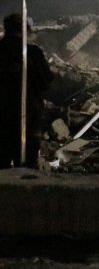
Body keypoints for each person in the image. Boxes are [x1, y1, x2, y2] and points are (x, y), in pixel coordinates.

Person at [0, 13, 54, 168]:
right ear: (26, 30)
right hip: (28, 114)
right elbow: (46, 82)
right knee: (27, 162)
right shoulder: (33, 52)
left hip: (2, 114)